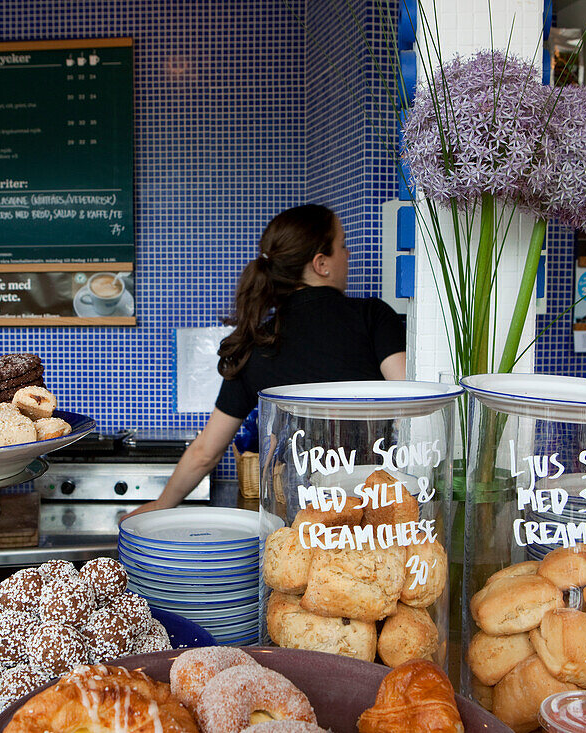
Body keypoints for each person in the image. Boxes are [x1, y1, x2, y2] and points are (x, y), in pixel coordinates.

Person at [123, 204, 406, 519]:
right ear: (321, 263)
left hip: (295, 519)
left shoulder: (258, 343)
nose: (349, 255)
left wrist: (161, 505)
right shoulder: (373, 317)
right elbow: (410, 397)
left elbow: (206, 452)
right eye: (343, 245)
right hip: (374, 513)